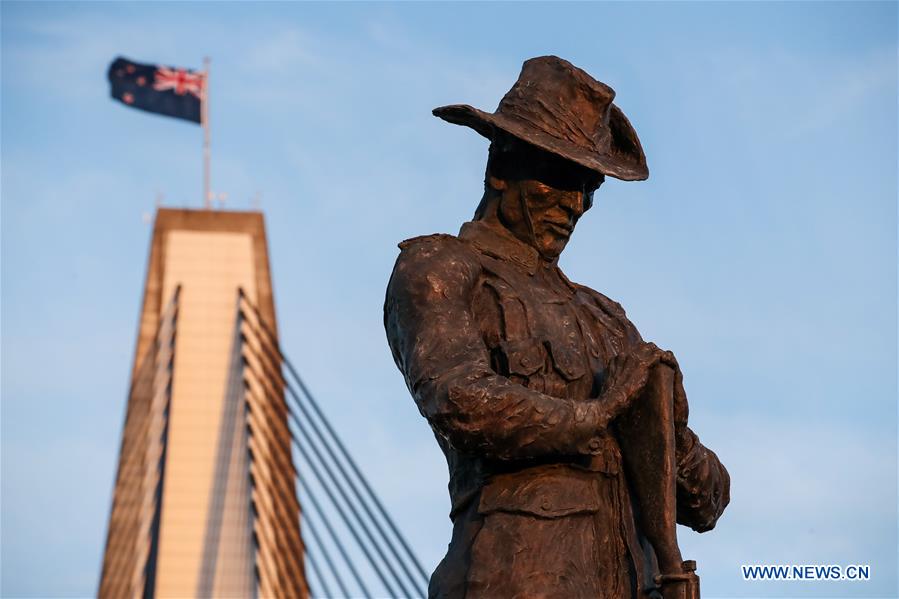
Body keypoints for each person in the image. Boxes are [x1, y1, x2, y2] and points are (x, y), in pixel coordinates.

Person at [384, 56, 729, 599]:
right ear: (501, 164)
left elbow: (706, 504)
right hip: (513, 580)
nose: (577, 204)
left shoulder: (608, 320)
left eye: (589, 185)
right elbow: (461, 400)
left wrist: (672, 427)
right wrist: (602, 412)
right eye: (561, 178)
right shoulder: (441, 268)